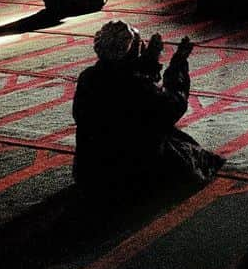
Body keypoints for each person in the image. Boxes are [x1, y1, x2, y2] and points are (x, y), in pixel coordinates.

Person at [72, 20, 223, 200]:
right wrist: (178, 63)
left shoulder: (88, 77)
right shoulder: (137, 87)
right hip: (128, 176)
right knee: (192, 156)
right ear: (129, 53)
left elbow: (121, 77)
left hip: (89, 172)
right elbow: (172, 106)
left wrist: (150, 59)